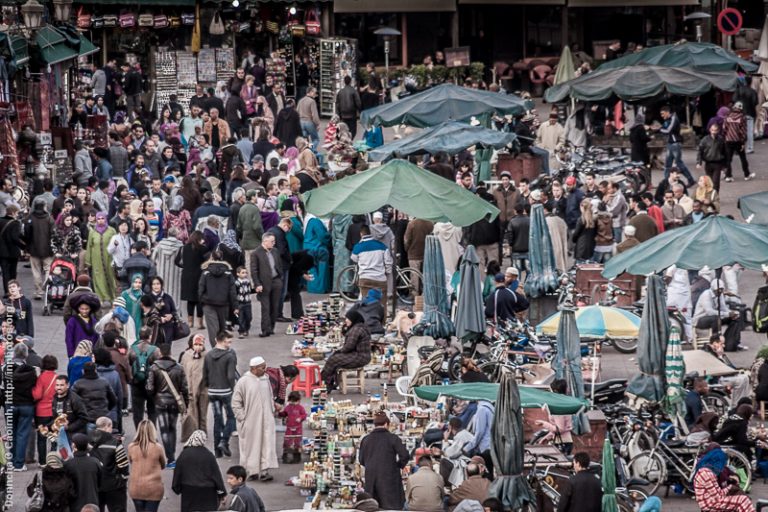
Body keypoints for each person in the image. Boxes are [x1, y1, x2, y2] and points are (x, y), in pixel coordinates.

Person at [231, 356, 279, 481]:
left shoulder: (265, 379)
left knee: (266, 444)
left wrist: (273, 409)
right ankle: (251, 471)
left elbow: (269, 397)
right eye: (263, 367)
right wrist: (242, 418)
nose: (265, 369)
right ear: (254, 368)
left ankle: (264, 471)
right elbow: (236, 402)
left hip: (266, 420)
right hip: (250, 422)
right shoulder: (244, 381)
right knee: (251, 447)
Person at [146, 343, 189, 467]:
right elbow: (184, 388)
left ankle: (169, 457)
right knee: (172, 428)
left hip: (160, 402)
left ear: (160, 353)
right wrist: (186, 404)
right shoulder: (179, 368)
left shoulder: (154, 368)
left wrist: (154, 397)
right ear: (170, 352)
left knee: (164, 429)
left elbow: (149, 388)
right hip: (174, 402)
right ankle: (172, 457)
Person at [358, 412, 410, 510]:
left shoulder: (366, 440)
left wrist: (371, 465)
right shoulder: (393, 438)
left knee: (372, 507)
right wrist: (397, 466)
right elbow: (405, 455)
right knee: (390, 508)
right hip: (389, 479)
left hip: (371, 479)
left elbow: (361, 460)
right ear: (386, 424)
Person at [171, 430, 227, 511]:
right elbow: (216, 476)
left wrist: (177, 488)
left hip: (189, 491)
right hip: (208, 493)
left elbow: (178, 473)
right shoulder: (209, 455)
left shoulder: (184, 454)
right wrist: (222, 493)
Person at [203, 331, 238, 458]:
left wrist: (209, 386)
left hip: (212, 392)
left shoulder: (208, 355)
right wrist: (233, 389)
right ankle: (224, 441)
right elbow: (230, 375)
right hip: (226, 391)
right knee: (232, 416)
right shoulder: (230, 356)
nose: (229, 344)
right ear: (221, 341)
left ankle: (217, 451)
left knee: (218, 419)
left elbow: (205, 374)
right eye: (228, 342)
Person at [693, 444, 756, 512]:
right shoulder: (707, 473)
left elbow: (729, 472)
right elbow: (717, 497)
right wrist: (730, 487)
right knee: (742, 500)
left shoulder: (708, 469)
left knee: (742, 498)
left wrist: (734, 478)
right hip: (710, 504)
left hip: (713, 499)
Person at [321, 310, 372, 391]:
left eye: (348, 319)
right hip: (363, 356)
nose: (346, 321)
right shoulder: (359, 326)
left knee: (333, 359)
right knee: (335, 358)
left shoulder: (356, 329)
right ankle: (328, 383)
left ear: (353, 319)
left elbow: (349, 346)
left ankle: (324, 383)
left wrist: (339, 351)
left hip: (360, 357)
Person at [89, 416, 129, 512]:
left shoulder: (88, 442)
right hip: (114, 485)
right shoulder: (115, 443)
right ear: (108, 426)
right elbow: (123, 465)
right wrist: (123, 478)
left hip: (94, 485)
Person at [199, 251, 238, 346]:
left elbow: (201, 288)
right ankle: (222, 348)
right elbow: (232, 290)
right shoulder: (228, 272)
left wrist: (202, 301)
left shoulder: (206, 271)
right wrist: (235, 306)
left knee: (213, 329)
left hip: (208, 303)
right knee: (222, 328)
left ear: (211, 257)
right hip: (224, 303)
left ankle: (216, 349)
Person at [8, 343, 37, 471]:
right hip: (26, 405)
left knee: (12, 433)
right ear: (26, 354)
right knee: (22, 434)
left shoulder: (6, 369)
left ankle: (11, 460)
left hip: (11, 404)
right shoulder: (31, 371)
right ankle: (19, 464)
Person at [127, 420, 166, 512]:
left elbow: (131, 461)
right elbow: (163, 465)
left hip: (136, 488)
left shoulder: (131, 447)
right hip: (154, 489)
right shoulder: (158, 447)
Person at [250, 232, 284, 337]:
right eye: (272, 241)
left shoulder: (275, 251)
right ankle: (265, 330)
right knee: (266, 307)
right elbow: (254, 270)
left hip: (276, 281)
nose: (274, 243)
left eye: (274, 241)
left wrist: (280, 277)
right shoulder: (256, 253)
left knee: (275, 306)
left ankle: (271, 327)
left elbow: (279, 264)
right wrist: (257, 284)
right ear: (265, 241)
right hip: (263, 284)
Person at [72, 362, 117, 433]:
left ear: (83, 371)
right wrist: (106, 409)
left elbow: (72, 400)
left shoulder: (78, 384)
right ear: (95, 370)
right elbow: (113, 400)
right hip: (103, 416)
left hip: (87, 418)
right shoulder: (104, 382)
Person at [176, 230, 209, 330]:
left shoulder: (183, 248)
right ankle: (200, 322)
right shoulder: (203, 249)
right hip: (199, 276)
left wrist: (185, 266)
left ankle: (190, 322)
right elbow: (207, 262)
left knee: (190, 300)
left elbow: (177, 261)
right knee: (199, 299)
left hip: (187, 277)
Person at [128, 327, 160, 428]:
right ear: (150, 336)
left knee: (137, 412)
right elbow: (159, 368)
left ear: (139, 336)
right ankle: (152, 435)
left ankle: (139, 434)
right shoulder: (155, 350)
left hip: (136, 384)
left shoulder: (132, 349)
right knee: (152, 411)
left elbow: (129, 365)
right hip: (151, 384)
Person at [64, 433, 103, 512]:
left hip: (75, 503)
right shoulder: (95, 462)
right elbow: (100, 481)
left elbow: (66, 485)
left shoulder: (68, 464)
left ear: (74, 446)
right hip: (93, 502)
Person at [180, 333, 208, 435]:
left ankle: (203, 431)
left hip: (203, 389)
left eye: (200, 345)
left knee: (203, 412)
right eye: (196, 344)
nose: (198, 347)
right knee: (192, 412)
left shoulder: (207, 356)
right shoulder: (186, 356)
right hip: (189, 389)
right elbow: (182, 371)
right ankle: (194, 432)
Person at [723, 101, 755, 182]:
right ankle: (746, 175)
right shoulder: (742, 117)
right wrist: (743, 141)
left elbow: (724, 128)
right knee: (743, 158)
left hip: (728, 140)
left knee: (728, 159)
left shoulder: (728, 116)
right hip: (738, 141)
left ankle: (728, 176)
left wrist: (725, 137)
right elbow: (743, 131)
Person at [0, 205, 25, 295]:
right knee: (12, 272)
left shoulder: (0, 220)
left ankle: (7, 291)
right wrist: (24, 247)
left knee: (5, 272)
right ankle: (12, 290)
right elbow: (15, 238)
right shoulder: (15, 223)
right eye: (17, 213)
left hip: (1, 252)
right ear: (13, 213)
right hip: (12, 251)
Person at [696, 122, 727, 192]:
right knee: (708, 182)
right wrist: (699, 162)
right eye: (712, 130)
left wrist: (725, 165)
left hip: (717, 163)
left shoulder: (720, 139)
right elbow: (700, 151)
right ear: (710, 130)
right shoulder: (705, 139)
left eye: (715, 130)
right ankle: (709, 196)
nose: (714, 132)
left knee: (716, 182)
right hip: (708, 163)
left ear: (718, 131)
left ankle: (715, 197)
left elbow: (725, 152)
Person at [278, 391, 307, 461]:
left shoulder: (300, 408)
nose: (293, 403)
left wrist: (300, 418)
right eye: (292, 401)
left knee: (297, 442)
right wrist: (280, 412)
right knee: (287, 441)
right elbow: (284, 414)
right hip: (289, 428)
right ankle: (285, 455)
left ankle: (297, 456)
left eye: (295, 401)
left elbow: (304, 415)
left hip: (298, 429)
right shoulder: (288, 407)